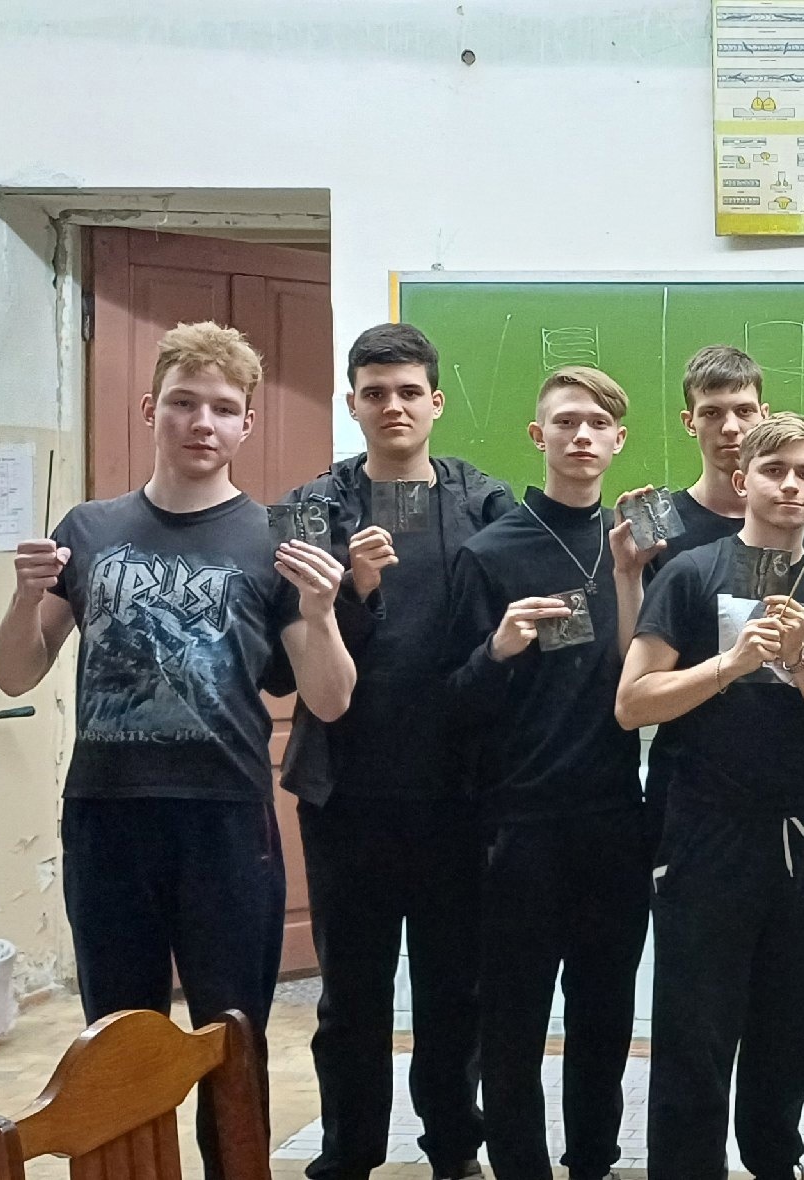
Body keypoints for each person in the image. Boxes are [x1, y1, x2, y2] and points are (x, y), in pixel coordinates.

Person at [0, 321, 355, 1180]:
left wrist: (321, 611)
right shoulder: (90, 528)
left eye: (223, 408)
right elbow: (14, 674)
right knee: (115, 1040)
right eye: (185, 403)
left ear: (246, 425)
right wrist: (22, 597)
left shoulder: (273, 539)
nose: (202, 422)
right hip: (107, 817)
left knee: (233, 1036)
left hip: (225, 822)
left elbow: (330, 698)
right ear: (151, 408)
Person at [276, 322, 511, 1180]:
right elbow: (288, 657)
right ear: (352, 403)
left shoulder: (486, 503)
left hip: (458, 795)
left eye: (409, 391)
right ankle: (348, 1154)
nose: (393, 406)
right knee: (351, 998)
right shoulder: (313, 509)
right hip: (348, 797)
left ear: (436, 401)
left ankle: (453, 1149)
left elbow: (516, 624)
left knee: (456, 993)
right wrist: (356, 588)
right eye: (375, 393)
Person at [631, 345, 804, 1179]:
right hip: (702, 830)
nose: (789, 486)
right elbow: (633, 701)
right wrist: (728, 666)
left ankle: (776, 1161)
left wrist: (803, 664)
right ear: (744, 481)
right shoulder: (691, 572)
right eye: (774, 471)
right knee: (694, 1036)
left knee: (794, 1031)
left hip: (798, 831)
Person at [441, 366, 656, 1180]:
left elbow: (643, 676)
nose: (581, 435)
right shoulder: (490, 552)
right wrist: (497, 649)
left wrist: (633, 576)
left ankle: (592, 1163)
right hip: (518, 827)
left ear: (619, 440)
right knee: (513, 1025)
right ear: (539, 436)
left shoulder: (639, 545)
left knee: (604, 1019)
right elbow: (452, 703)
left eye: (597, 423)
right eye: (565, 421)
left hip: (614, 820)